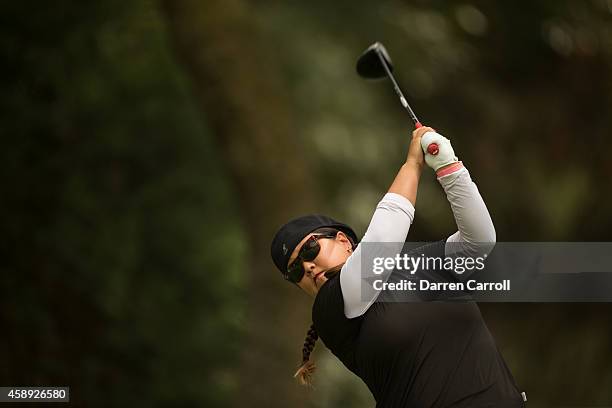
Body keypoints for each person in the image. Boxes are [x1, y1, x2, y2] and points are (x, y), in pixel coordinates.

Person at [270, 126, 526, 407]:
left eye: (309, 248)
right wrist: (413, 164)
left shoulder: (417, 265)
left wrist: (448, 165)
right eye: (294, 270)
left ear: (343, 240)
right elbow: (381, 242)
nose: (306, 266)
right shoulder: (330, 311)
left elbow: (478, 242)